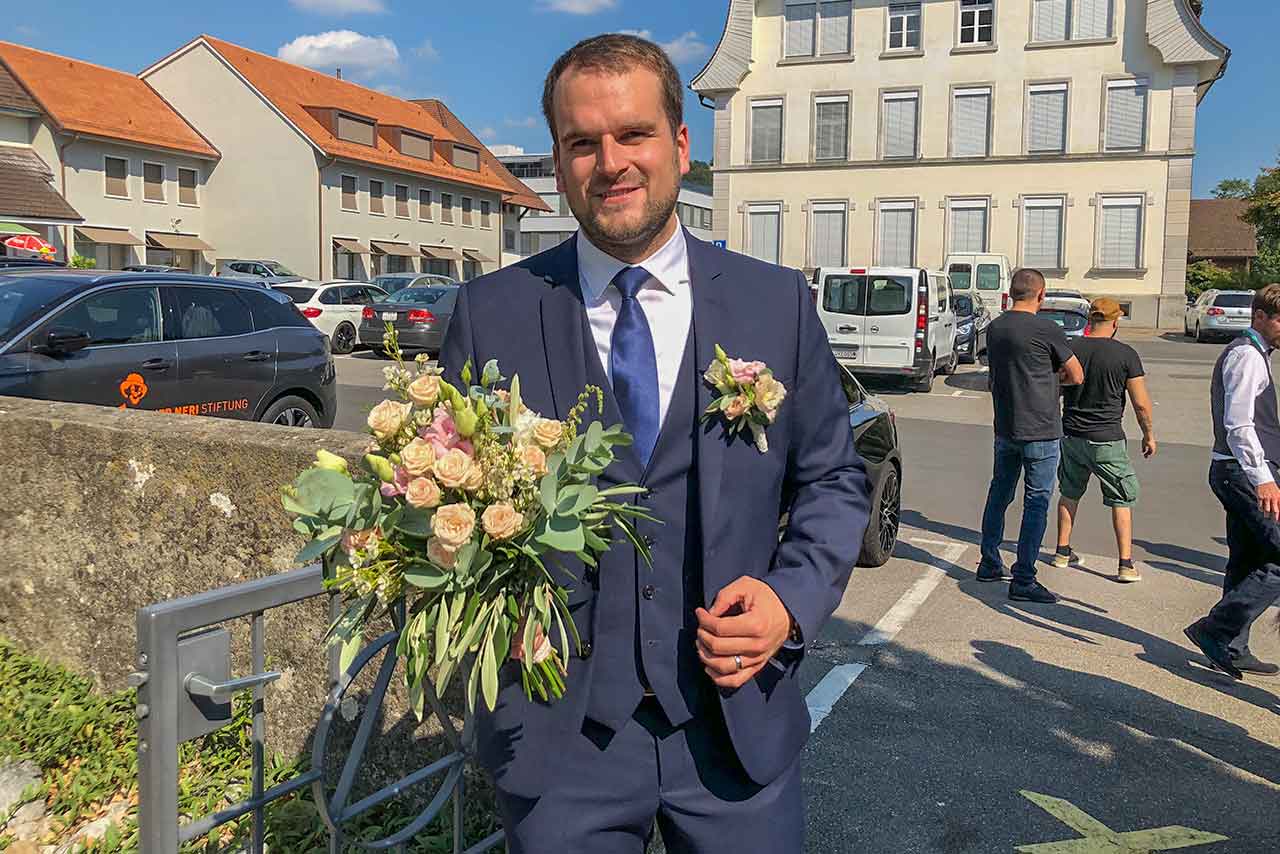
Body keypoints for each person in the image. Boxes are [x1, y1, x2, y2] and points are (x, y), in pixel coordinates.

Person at [439, 34, 871, 853]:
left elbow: (833, 482)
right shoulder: (489, 313)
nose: (611, 163)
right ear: (560, 162)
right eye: (582, 143)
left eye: (633, 134)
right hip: (559, 740)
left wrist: (792, 600)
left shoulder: (773, 304)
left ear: (679, 144)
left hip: (736, 730)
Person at [1184, 283, 1280, 679]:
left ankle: (1229, 643)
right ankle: (1217, 629)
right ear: (1260, 316)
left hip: (1236, 470)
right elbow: (1238, 425)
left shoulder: (1256, 354)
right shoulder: (1247, 356)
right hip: (1241, 472)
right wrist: (1263, 479)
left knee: (1248, 557)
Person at [978, 268, 1084, 603]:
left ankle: (989, 562)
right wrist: (1054, 380)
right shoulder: (1047, 328)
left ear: (1009, 294)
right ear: (1041, 295)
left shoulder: (995, 328)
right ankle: (1024, 577)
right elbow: (1077, 374)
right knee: (1036, 502)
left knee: (1000, 493)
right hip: (1040, 427)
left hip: (1006, 426)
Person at [1053, 298, 1156, 583]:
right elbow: (1141, 404)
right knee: (1121, 497)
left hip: (1072, 434)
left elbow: (1056, 387)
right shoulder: (1125, 354)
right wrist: (1148, 434)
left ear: (1089, 320)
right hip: (1107, 438)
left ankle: (1062, 552)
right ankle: (1125, 563)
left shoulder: (1071, 349)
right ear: (1115, 323)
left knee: (1069, 492)